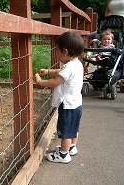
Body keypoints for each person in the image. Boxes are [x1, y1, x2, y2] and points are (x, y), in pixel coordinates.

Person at [34, 31, 85, 163]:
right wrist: (48, 71)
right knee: (74, 128)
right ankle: (71, 147)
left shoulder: (68, 68)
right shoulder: (77, 64)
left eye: (57, 51)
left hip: (67, 105)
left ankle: (63, 155)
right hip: (76, 104)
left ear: (65, 52)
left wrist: (40, 82)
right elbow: (62, 72)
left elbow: (56, 81)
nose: (56, 54)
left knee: (66, 130)